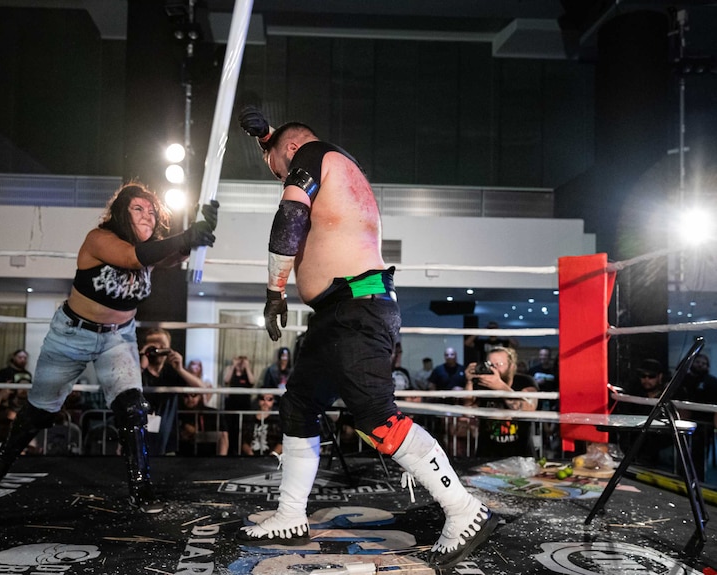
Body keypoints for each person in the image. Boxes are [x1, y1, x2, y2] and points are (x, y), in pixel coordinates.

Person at [234, 107, 496, 568]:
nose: (282, 178)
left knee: (376, 418)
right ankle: (291, 514)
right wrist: (267, 138)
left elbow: (289, 218)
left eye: (279, 169)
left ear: (293, 151)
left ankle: (464, 510)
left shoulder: (311, 155)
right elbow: (291, 148)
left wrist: (274, 292)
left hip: (357, 309)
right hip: (338, 312)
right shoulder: (332, 159)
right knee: (299, 405)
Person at [0, 181, 218, 515]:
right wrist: (184, 237)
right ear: (121, 212)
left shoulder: (148, 249)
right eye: (138, 208)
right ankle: (2, 462)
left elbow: (170, 257)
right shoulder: (100, 239)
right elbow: (131, 258)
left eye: (152, 211)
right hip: (71, 335)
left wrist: (200, 234)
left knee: (133, 408)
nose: (148, 215)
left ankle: (141, 489)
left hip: (117, 338)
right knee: (41, 410)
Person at [139, 327, 208, 455]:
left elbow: (202, 389)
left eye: (162, 345)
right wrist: (142, 359)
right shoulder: (138, 371)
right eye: (154, 345)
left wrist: (180, 369)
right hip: (139, 440)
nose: (158, 349)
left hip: (166, 441)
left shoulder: (171, 372)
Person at [463, 346, 538, 458]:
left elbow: (529, 408)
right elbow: (467, 411)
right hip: (487, 455)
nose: (494, 369)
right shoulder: (483, 384)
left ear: (511, 367)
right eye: (490, 365)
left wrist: (500, 387)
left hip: (520, 455)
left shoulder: (525, 381)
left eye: (499, 364)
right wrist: (469, 381)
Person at [616, 358, 671, 469]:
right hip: (635, 448)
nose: (646, 380)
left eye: (651, 376)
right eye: (643, 376)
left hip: (660, 450)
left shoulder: (667, 397)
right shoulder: (635, 394)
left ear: (660, 377)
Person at [680, 353, 717, 481]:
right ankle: (681, 476)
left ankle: (698, 480)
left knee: (699, 455)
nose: (700, 365)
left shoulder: (712, 381)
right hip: (684, 421)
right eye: (698, 362)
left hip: (704, 425)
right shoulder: (684, 379)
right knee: (682, 451)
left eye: (704, 363)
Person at [222, 354, 256, 454]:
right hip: (232, 406)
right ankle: (230, 451)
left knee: (242, 431)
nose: (240, 363)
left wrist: (247, 366)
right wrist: (233, 366)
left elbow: (252, 381)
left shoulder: (247, 373)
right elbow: (226, 380)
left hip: (244, 406)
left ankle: (241, 450)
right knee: (231, 430)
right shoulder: (231, 371)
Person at [177, 391, 228, 456]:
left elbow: (223, 437)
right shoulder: (178, 415)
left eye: (193, 395)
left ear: (200, 396)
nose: (190, 399)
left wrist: (221, 461)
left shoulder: (213, 414)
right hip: (183, 457)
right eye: (185, 396)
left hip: (209, 456)